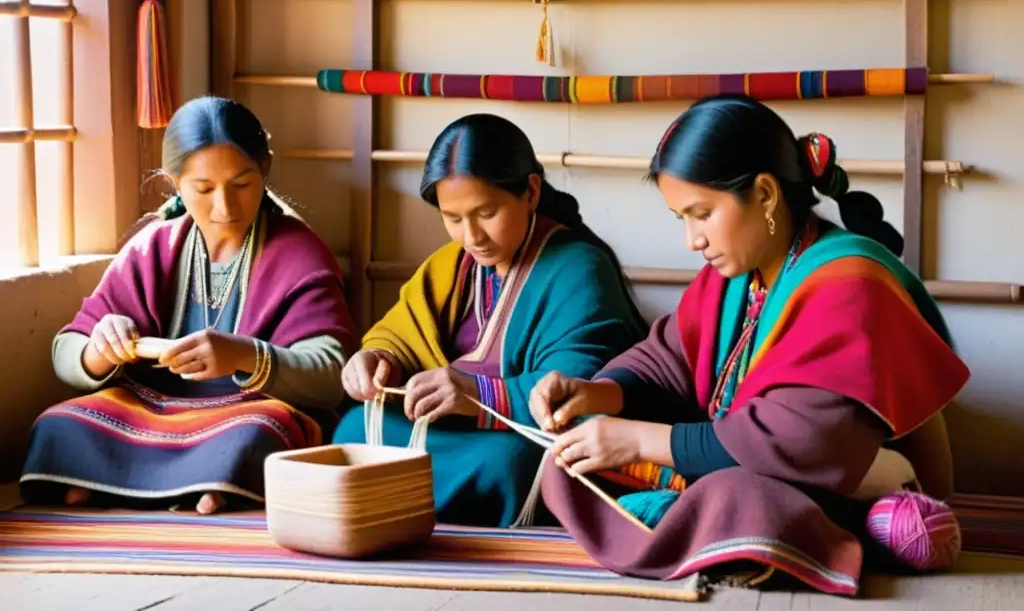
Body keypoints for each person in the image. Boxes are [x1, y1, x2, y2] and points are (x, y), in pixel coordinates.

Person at [531, 95, 970, 595]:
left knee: (739, 497)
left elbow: (803, 439)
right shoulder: (739, 271)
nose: (692, 240)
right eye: (682, 219)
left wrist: (635, 440)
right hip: (760, 459)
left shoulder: (850, 282)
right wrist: (597, 392)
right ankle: (689, 518)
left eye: (702, 214)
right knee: (566, 460)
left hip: (857, 480)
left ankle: (699, 521)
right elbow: (669, 356)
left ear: (764, 194)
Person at [20, 96, 359, 515]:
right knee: (59, 422)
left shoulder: (299, 252)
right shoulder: (153, 247)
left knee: (258, 434)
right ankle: (205, 485)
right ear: (173, 183)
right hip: (152, 407)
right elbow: (65, 352)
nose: (225, 207)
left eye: (242, 184)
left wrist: (243, 355)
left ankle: (110, 484)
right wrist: (97, 349)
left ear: (265, 170)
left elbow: (332, 373)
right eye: (203, 189)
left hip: (247, 410)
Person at [333, 113, 647, 527]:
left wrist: (479, 394)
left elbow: (584, 383)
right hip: (452, 435)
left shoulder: (579, 267)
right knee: (353, 428)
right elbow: (399, 336)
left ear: (530, 191)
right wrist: (376, 360)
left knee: (518, 463)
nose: (471, 236)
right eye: (453, 218)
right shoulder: (449, 264)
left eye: (486, 212)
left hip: (525, 435)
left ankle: (402, 498)